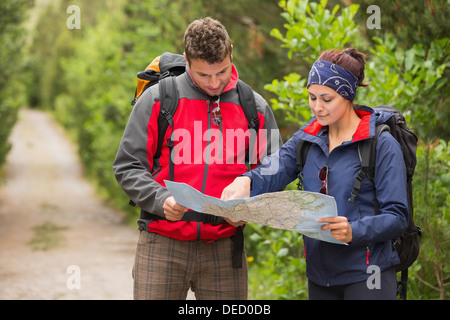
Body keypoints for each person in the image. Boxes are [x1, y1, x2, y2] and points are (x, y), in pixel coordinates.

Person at [113, 17, 281, 300]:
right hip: (162, 241)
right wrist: (160, 199)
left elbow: (276, 168)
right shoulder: (158, 99)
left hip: (226, 247)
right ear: (188, 62)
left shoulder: (255, 107)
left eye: (222, 72)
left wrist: (249, 204)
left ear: (231, 53)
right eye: (204, 75)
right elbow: (127, 165)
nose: (214, 83)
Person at [222, 48, 409, 300]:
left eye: (326, 99)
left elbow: (397, 217)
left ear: (348, 95)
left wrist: (354, 231)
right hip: (320, 277)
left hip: (368, 274)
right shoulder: (307, 138)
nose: (317, 107)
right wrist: (246, 181)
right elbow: (274, 169)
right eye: (312, 97)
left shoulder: (381, 144)